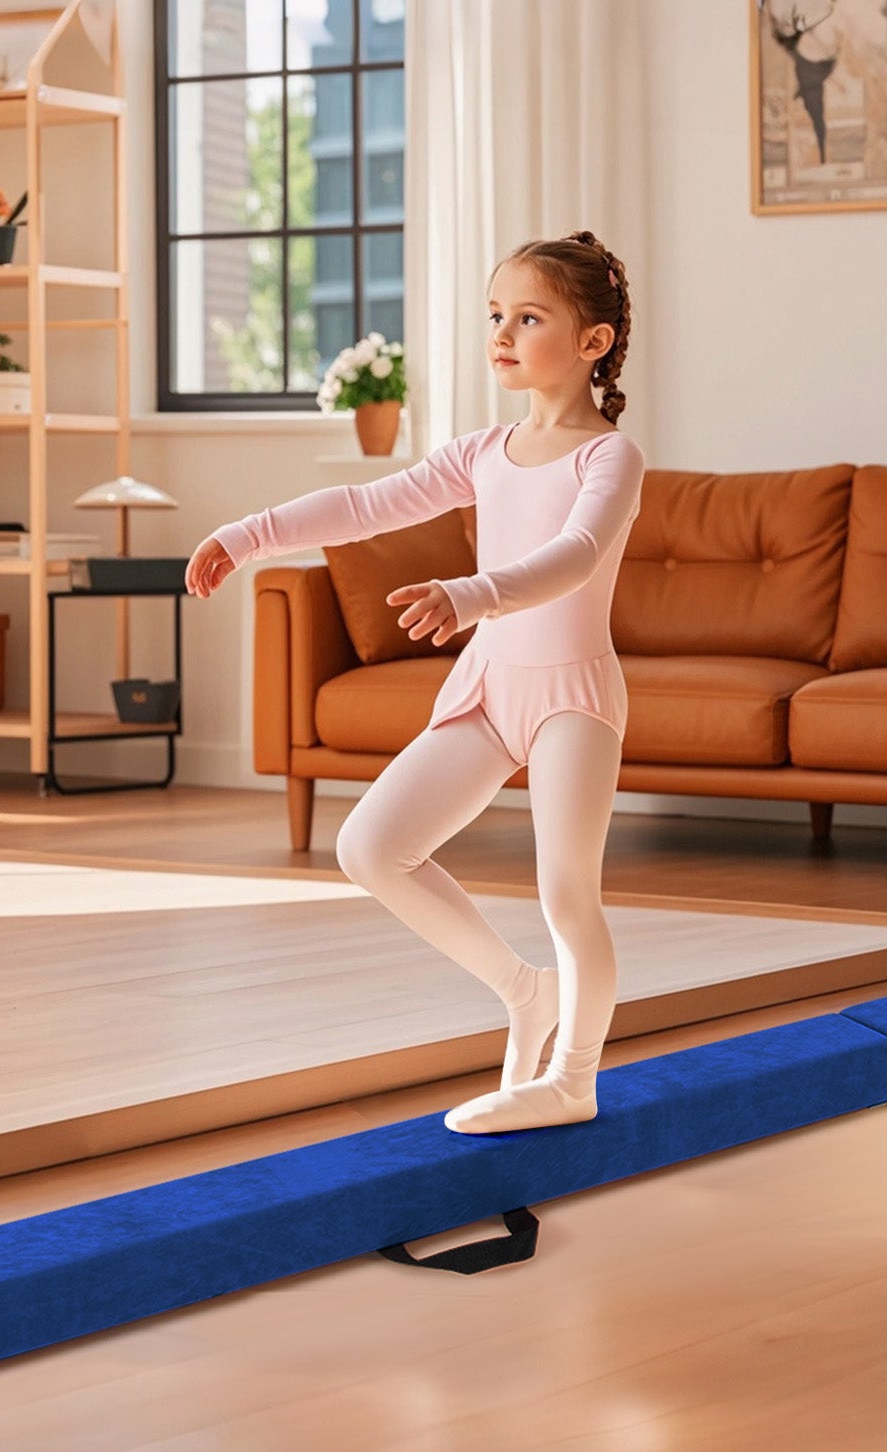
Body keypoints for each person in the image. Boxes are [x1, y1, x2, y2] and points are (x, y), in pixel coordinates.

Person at [185, 230, 645, 1135]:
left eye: (529, 316)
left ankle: (574, 1079)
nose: (502, 333)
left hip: (571, 700)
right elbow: (362, 506)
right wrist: (246, 534)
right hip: (489, 687)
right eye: (495, 315)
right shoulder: (484, 450)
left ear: (593, 343)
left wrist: (474, 593)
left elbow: (575, 556)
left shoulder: (609, 459)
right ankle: (524, 991)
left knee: (565, 893)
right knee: (371, 847)